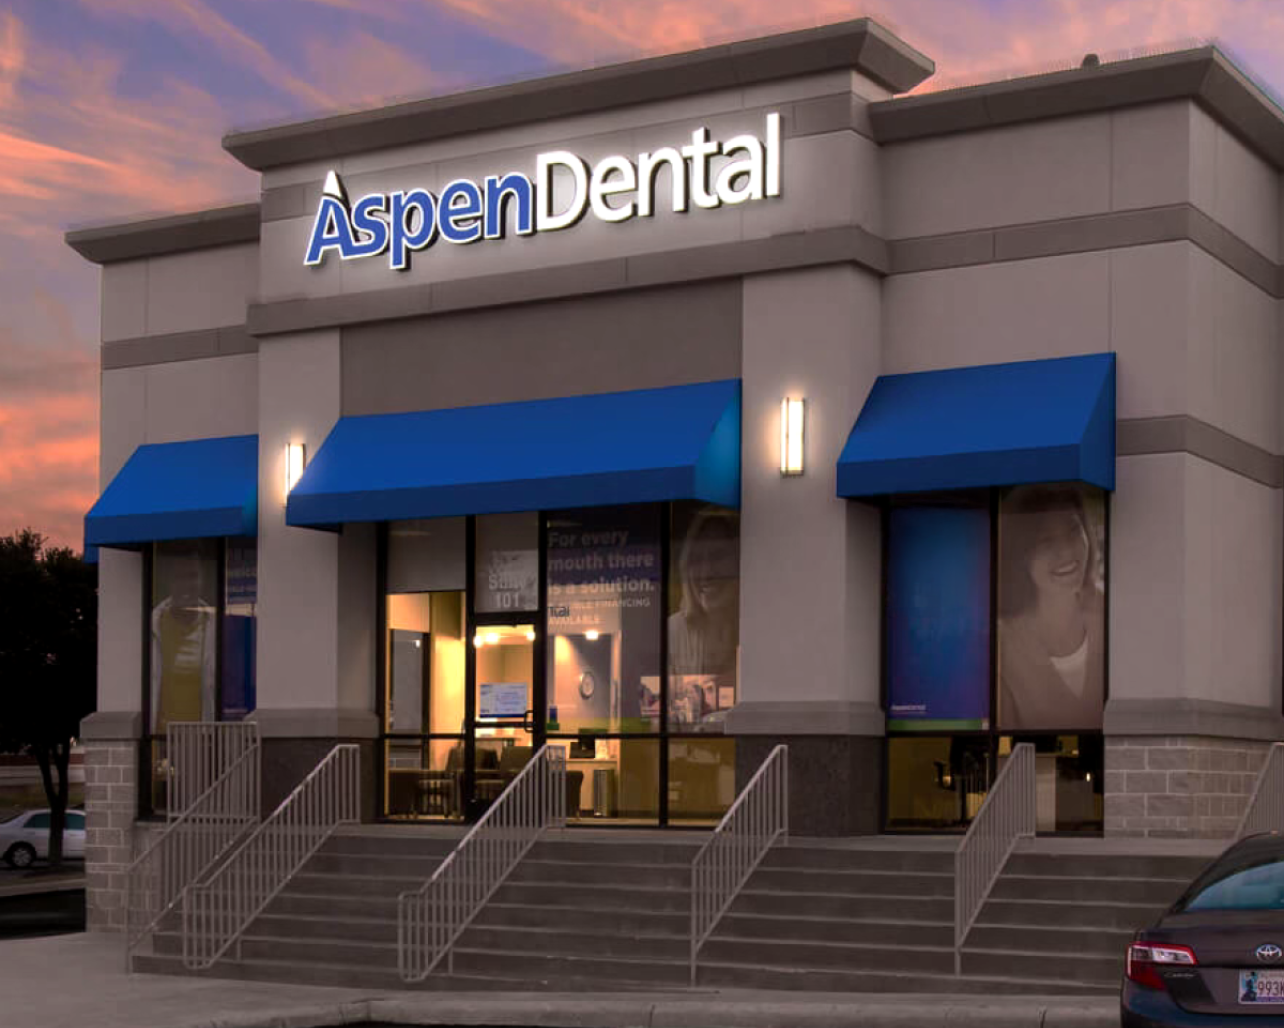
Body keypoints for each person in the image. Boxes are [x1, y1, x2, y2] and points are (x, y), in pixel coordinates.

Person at [998, 485, 1104, 731]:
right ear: (1020, 556)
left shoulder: (1114, 616)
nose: (1066, 551)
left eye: (1073, 530)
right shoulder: (1002, 648)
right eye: (1046, 542)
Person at [668, 508, 739, 726]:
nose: (706, 571)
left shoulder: (755, 628)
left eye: (718, 557)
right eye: (697, 559)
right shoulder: (673, 631)